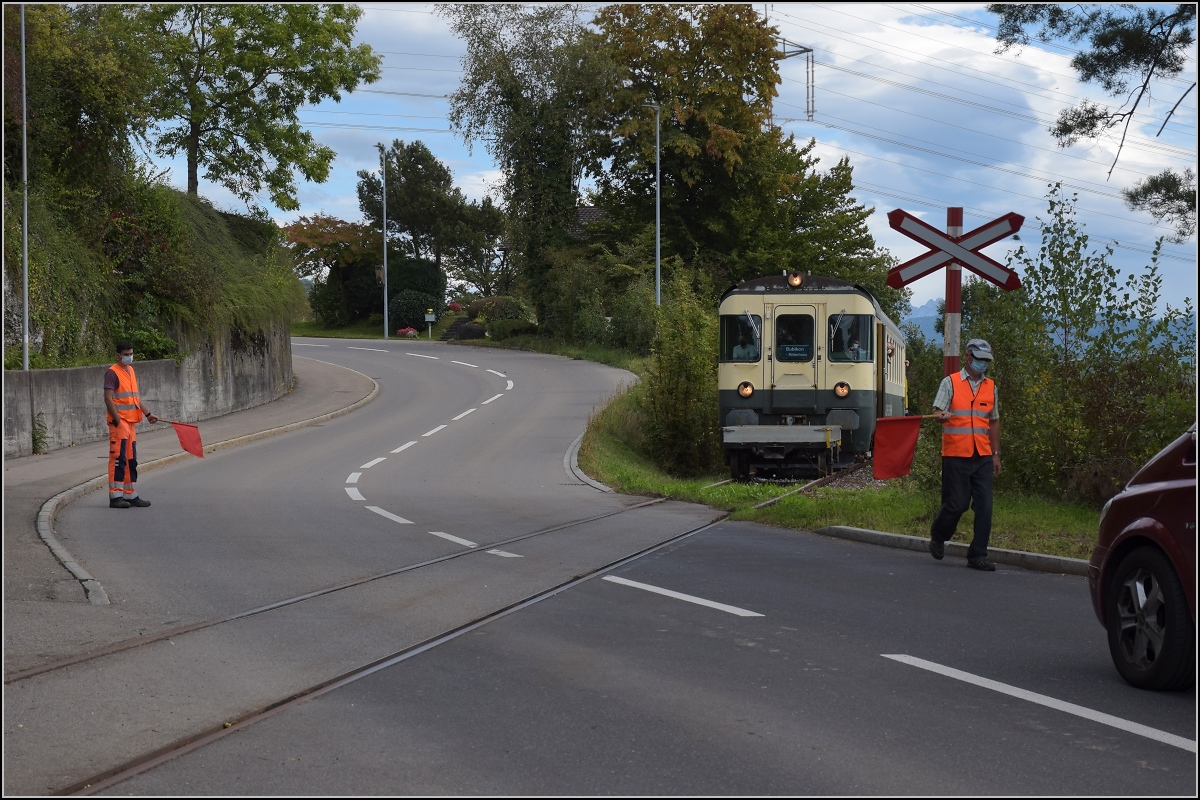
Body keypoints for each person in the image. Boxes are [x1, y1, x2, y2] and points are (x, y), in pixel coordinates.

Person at [928, 338, 1001, 570]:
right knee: (956, 504)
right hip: (956, 455)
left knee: (985, 507)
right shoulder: (950, 383)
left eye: (986, 361)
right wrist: (942, 414)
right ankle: (939, 535)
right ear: (968, 357)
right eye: (979, 360)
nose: (983, 365)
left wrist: (996, 454)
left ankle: (977, 555)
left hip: (983, 456)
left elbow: (994, 421)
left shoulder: (991, 387)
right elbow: (938, 411)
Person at [104, 341, 159, 508]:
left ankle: (130, 494)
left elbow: (135, 398)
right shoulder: (112, 373)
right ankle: (115, 497)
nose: (129, 357)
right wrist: (119, 421)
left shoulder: (131, 371)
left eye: (131, 353)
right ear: (118, 355)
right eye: (126, 354)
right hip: (120, 423)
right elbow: (108, 398)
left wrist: (148, 414)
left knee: (131, 460)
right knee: (118, 459)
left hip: (131, 423)